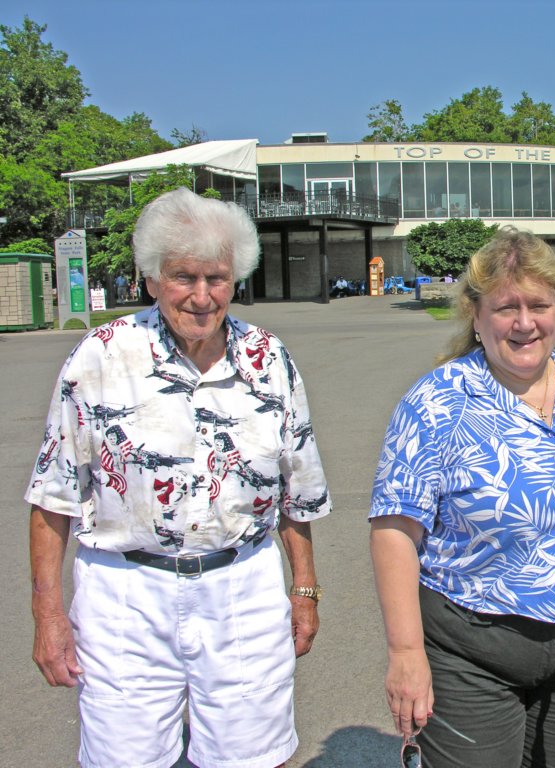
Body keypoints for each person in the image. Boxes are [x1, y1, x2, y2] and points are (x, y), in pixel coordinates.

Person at [27, 187, 332, 768]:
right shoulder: (101, 356)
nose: (200, 296)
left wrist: (305, 590)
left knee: (249, 758)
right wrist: (48, 614)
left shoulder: (270, 359)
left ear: (236, 279)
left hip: (242, 588)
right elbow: (53, 496)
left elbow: (298, 493)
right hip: (126, 595)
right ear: (150, 279)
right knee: (126, 759)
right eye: (182, 277)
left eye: (216, 278)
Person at [370, 226, 555, 767]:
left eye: (539, 305)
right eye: (505, 308)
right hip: (473, 647)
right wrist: (406, 654)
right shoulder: (435, 404)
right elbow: (394, 530)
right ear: (475, 316)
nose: (525, 323)